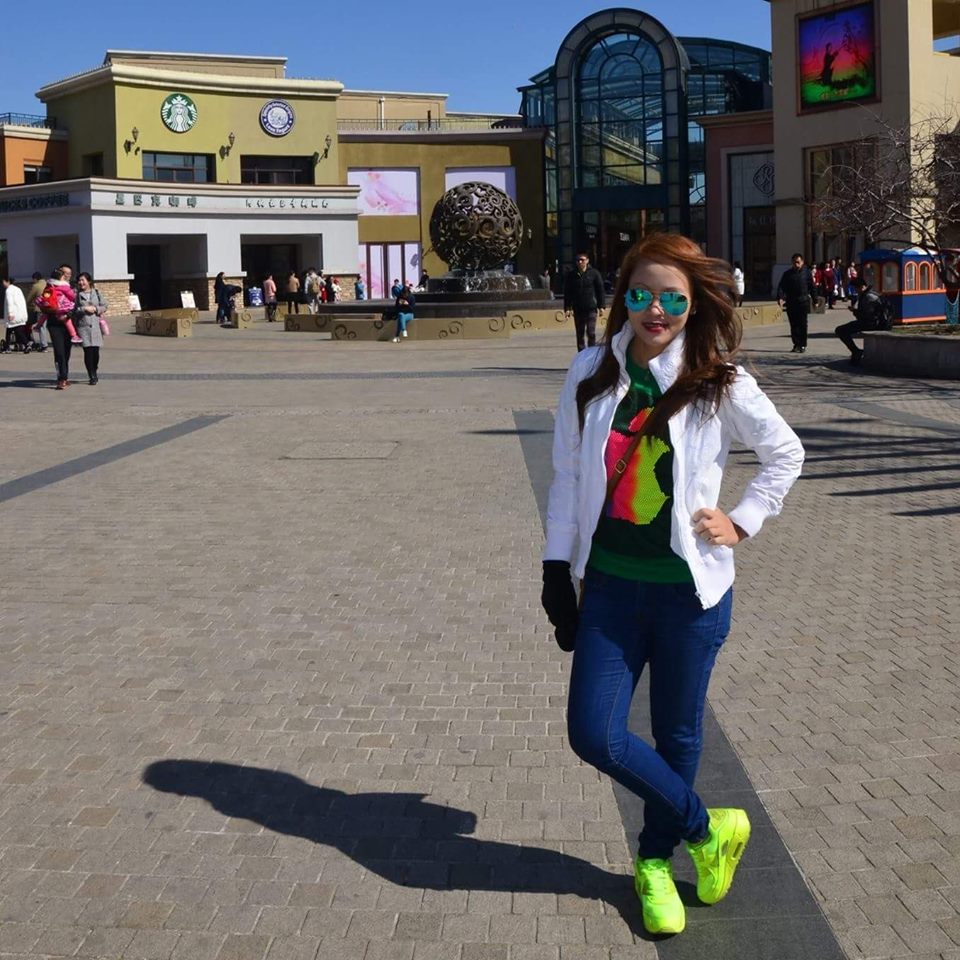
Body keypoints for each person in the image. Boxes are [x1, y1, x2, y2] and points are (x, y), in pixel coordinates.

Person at [541, 232, 804, 936]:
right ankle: (707, 829)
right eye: (641, 294)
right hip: (610, 591)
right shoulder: (591, 370)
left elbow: (784, 453)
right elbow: (567, 472)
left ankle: (654, 860)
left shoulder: (719, 379)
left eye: (672, 299)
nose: (655, 310)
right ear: (622, 295)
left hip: (690, 596)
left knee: (676, 733)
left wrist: (742, 519)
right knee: (594, 734)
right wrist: (555, 567)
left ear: (694, 304)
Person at [39, 265, 77, 389]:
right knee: (59, 351)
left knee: (66, 351)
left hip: (68, 322)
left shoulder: (71, 287)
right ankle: (61, 378)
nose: (67, 275)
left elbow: (76, 304)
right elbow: (45, 304)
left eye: (69, 273)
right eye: (65, 273)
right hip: (54, 323)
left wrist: (68, 315)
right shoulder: (49, 287)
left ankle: (65, 376)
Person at [835, 275, 886, 365]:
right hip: (874, 321)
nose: (856, 291)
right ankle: (855, 351)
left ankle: (856, 351)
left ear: (862, 287)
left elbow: (867, 316)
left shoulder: (868, 297)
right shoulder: (868, 294)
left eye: (856, 288)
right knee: (842, 329)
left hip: (874, 323)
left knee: (840, 330)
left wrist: (855, 311)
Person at [563, 253, 606, 351]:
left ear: (587, 261)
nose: (580, 262)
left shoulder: (594, 273)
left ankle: (591, 352)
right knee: (580, 334)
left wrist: (601, 306)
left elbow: (600, 290)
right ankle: (581, 354)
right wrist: (567, 308)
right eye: (578, 260)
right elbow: (568, 293)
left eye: (582, 260)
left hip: (591, 307)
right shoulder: (571, 275)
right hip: (578, 308)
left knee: (591, 332)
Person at [776, 253, 816, 353]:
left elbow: (812, 287)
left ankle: (802, 344)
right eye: (794, 262)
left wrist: (815, 300)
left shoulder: (807, 273)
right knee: (793, 324)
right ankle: (796, 344)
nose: (796, 264)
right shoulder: (787, 274)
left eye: (798, 262)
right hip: (791, 302)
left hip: (803, 302)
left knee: (802, 324)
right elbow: (781, 287)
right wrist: (780, 297)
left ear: (802, 262)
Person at [73, 272, 107, 385]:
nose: (81, 282)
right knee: (88, 351)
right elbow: (73, 310)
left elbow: (105, 305)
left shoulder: (96, 292)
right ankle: (92, 375)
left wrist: (96, 309)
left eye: (83, 280)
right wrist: (83, 309)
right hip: (83, 326)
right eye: (79, 280)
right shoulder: (76, 294)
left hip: (96, 326)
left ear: (89, 281)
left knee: (95, 352)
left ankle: (94, 368)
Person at [2, 277, 30, 354]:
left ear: (7, 282)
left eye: (3, 282)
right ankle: (26, 344)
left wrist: (10, 313)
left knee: (11, 330)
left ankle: (8, 347)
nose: (3, 284)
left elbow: (10, 302)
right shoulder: (18, 289)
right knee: (16, 331)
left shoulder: (8, 290)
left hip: (13, 315)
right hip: (20, 313)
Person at [26, 271, 48, 352]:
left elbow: (29, 298)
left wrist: (28, 304)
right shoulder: (47, 284)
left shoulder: (36, 286)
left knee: (41, 327)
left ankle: (44, 345)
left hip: (40, 309)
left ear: (35, 279)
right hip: (51, 308)